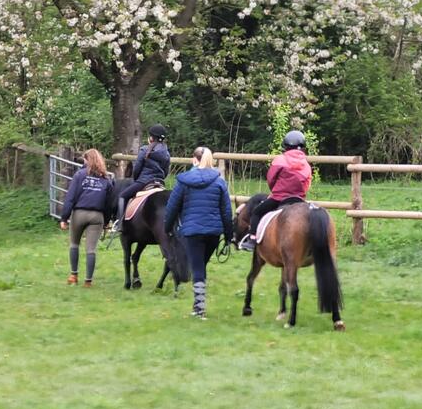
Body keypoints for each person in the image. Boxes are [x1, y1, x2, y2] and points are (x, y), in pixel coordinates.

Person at [164, 147, 233, 319]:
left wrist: (167, 228)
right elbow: (226, 211)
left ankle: (200, 308)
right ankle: (198, 304)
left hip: (192, 231)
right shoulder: (219, 182)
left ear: (194, 160)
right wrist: (228, 235)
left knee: (197, 268)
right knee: (200, 266)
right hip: (213, 233)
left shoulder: (184, 181)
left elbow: (172, 207)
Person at [239, 130, 312, 252]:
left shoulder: (280, 160)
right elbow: (307, 183)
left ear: (286, 145)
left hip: (279, 198)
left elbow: (271, 178)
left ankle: (252, 240)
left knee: (257, 212)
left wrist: (275, 191)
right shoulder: (306, 164)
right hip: (299, 199)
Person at [60, 149, 114, 287]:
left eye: (84, 160)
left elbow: (70, 198)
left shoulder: (79, 175)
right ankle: (88, 281)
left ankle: (73, 275)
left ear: (87, 160)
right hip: (97, 216)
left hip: (79, 214)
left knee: (74, 244)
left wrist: (64, 218)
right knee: (91, 249)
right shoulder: (106, 179)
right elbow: (109, 204)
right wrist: (106, 222)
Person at [112, 124, 171, 232]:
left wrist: (136, 179)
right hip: (159, 182)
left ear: (151, 137)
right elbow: (166, 171)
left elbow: (137, 168)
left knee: (122, 196)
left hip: (144, 181)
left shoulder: (145, 150)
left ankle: (119, 223)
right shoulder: (166, 153)